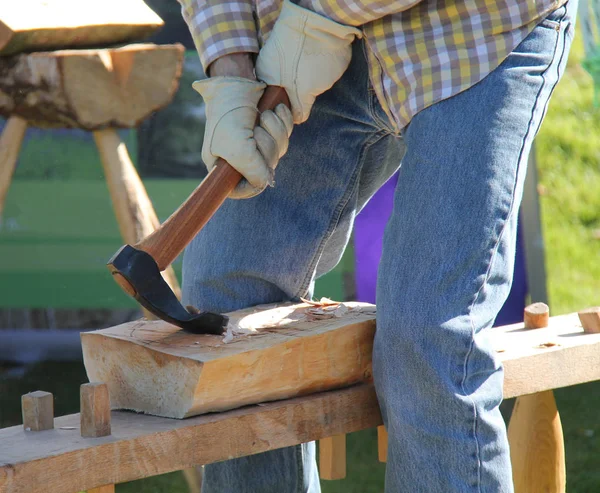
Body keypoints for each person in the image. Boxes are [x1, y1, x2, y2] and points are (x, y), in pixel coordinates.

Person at [177, 0, 577, 491]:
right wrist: (230, 66)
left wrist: (319, 14)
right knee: (227, 296)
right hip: (299, 40)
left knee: (428, 330)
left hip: (477, 31)